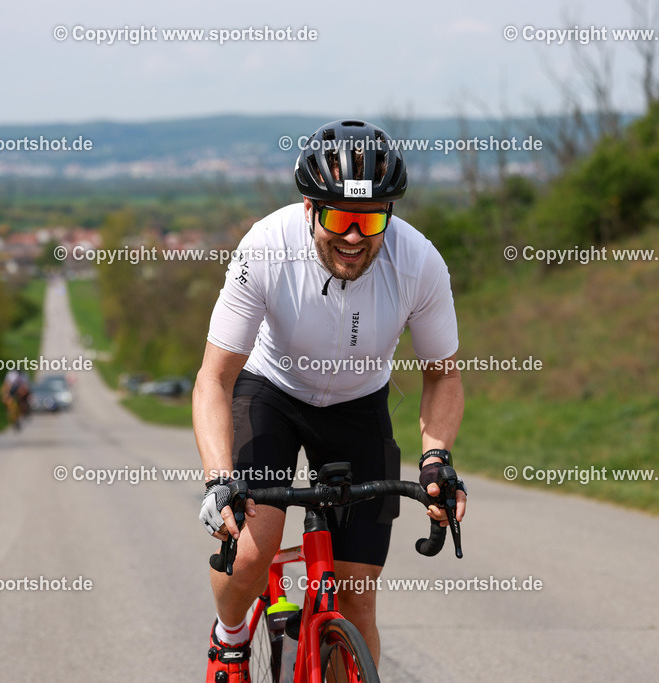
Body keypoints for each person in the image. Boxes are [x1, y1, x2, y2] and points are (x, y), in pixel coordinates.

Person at [194, 119, 467, 682]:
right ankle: (231, 635)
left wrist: (436, 458)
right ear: (309, 208)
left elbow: (443, 376)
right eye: (340, 217)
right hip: (272, 392)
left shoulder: (419, 263)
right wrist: (219, 478)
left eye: (370, 220)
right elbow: (214, 380)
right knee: (252, 548)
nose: (353, 236)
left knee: (356, 600)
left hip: (358, 406)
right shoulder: (266, 248)